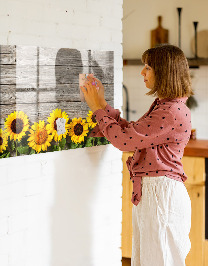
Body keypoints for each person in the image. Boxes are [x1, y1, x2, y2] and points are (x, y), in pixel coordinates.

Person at [81, 44, 193, 266]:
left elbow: (124, 141)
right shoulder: (166, 106)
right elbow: (132, 133)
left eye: (148, 67)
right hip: (156, 193)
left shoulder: (170, 111)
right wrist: (102, 104)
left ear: (164, 72)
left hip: (161, 195)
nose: (142, 72)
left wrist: (96, 108)